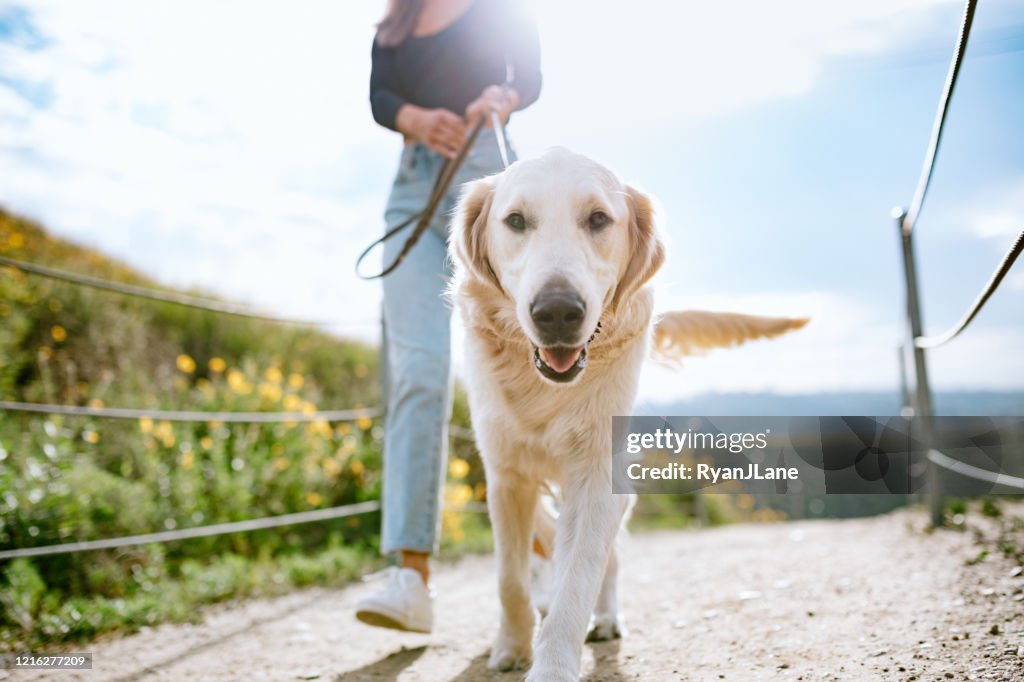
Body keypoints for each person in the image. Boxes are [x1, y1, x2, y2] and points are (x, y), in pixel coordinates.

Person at [356, 0, 542, 633]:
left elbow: (532, 77)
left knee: (522, 362)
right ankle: (410, 577)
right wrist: (413, 116)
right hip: (412, 188)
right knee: (420, 367)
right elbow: (381, 96)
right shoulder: (396, 22)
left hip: (492, 181)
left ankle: (545, 543)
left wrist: (503, 95)